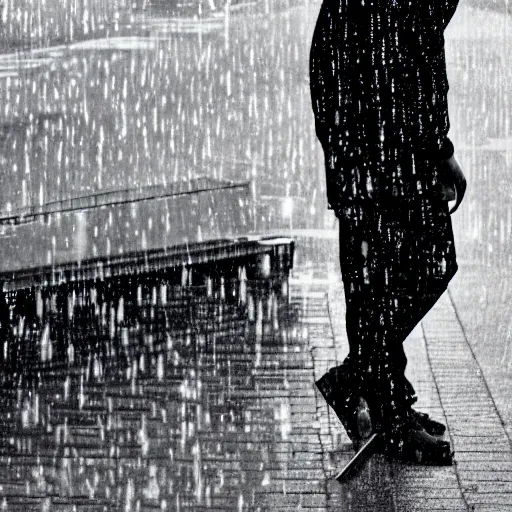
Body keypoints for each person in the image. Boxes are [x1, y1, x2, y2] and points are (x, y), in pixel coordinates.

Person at [309, 0, 466, 463]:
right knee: (413, 263)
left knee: (377, 275)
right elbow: (419, 57)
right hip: (378, 134)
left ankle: (377, 390)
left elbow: (410, 50)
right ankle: (383, 406)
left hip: (368, 129)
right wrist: (438, 147)